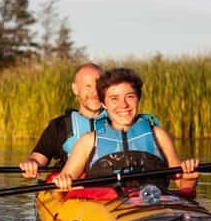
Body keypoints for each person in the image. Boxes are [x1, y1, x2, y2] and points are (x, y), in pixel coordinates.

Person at [52, 67, 199, 192]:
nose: (123, 105)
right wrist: (63, 183)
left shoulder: (158, 135)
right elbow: (59, 189)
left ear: (138, 98)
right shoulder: (88, 141)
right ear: (104, 103)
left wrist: (190, 177)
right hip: (105, 212)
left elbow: (183, 185)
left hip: (153, 205)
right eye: (114, 99)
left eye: (130, 96)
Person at [18, 63, 105, 178]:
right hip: (69, 187)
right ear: (75, 89)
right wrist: (31, 164)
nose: (95, 92)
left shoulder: (118, 121)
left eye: (99, 86)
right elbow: (38, 158)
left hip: (109, 188)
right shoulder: (59, 126)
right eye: (88, 86)